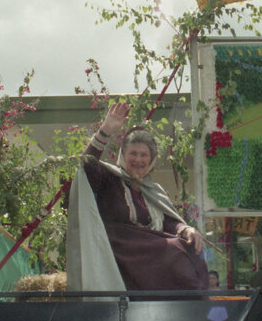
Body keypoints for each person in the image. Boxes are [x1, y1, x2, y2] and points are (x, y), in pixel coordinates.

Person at [66, 101, 209, 292]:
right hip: (119, 250)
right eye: (133, 153)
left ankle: (190, 305)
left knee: (191, 249)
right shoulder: (109, 178)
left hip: (149, 250)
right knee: (174, 250)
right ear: (122, 155)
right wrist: (105, 131)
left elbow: (168, 221)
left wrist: (186, 229)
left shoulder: (153, 190)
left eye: (144, 155)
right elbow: (86, 167)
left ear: (151, 160)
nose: (138, 160)